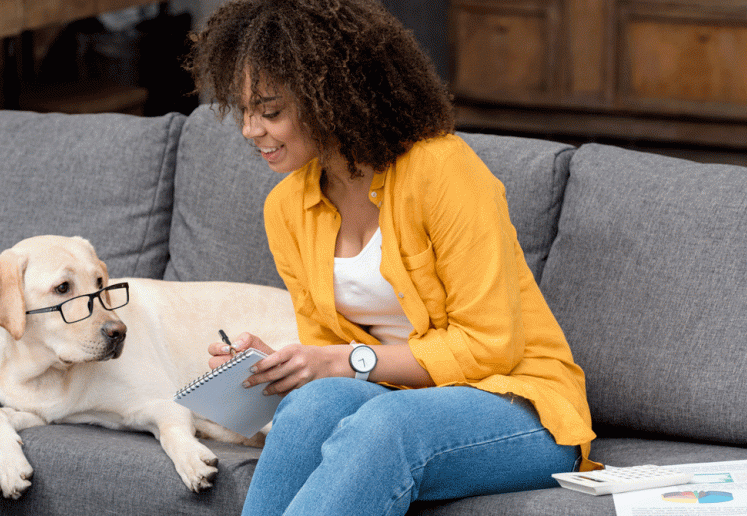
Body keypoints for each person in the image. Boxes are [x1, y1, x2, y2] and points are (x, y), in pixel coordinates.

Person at [184, 0, 598, 514]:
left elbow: (492, 346)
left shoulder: (442, 170)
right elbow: (333, 357)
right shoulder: (287, 208)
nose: (250, 130)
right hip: (395, 400)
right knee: (310, 404)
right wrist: (287, 366)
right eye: (243, 110)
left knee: (389, 424)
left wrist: (346, 360)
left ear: (330, 98)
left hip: (519, 406)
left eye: (270, 112)